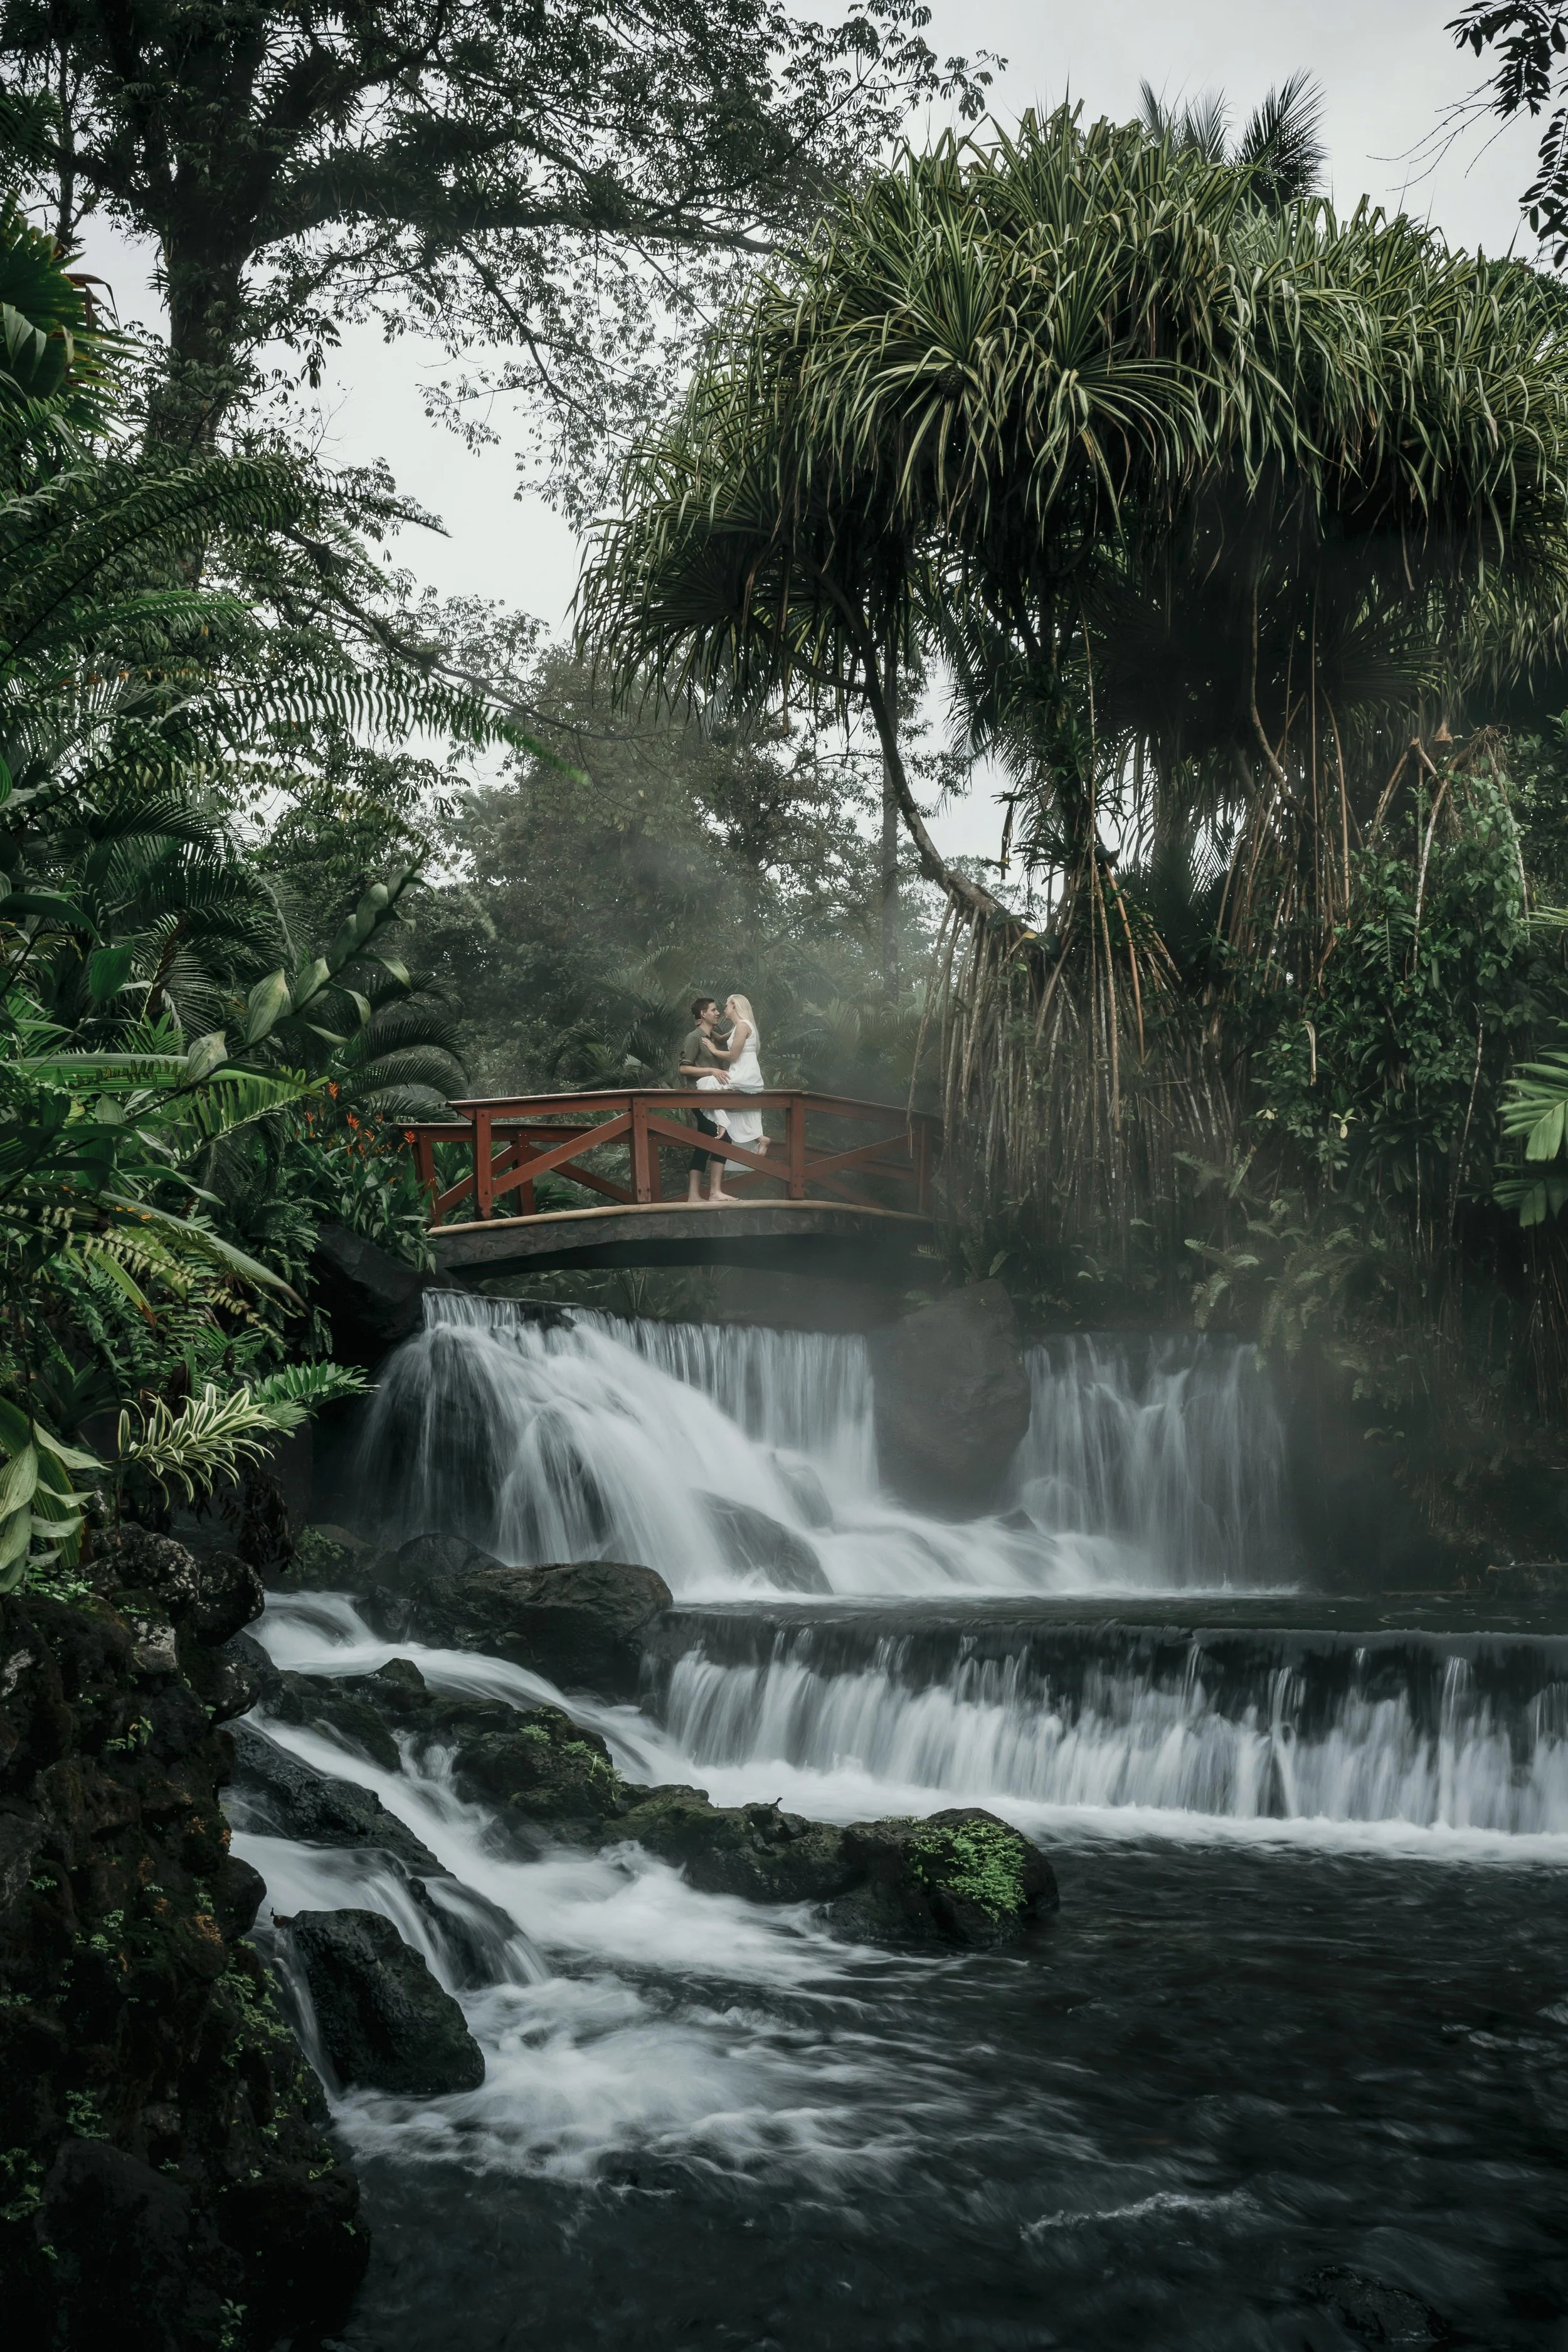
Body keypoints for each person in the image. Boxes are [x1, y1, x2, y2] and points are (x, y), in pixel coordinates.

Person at [677, 996, 736, 1204]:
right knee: (724, 1139)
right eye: (713, 1010)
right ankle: (715, 1192)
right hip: (700, 1099)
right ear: (703, 1014)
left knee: (704, 1144)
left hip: (713, 1099)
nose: (718, 1013)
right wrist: (711, 1070)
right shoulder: (695, 1037)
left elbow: (731, 1038)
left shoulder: (712, 1039)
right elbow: (684, 1068)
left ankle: (694, 1196)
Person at [702, 992, 768, 1167]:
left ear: (735, 1007)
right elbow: (724, 1039)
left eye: (727, 1005)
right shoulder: (739, 1026)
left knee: (705, 1084)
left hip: (745, 1073)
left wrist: (713, 1050)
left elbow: (733, 1054)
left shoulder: (743, 1027)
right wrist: (708, 1030)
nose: (724, 1009)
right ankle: (759, 1139)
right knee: (739, 1109)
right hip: (742, 1072)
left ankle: (722, 1124)